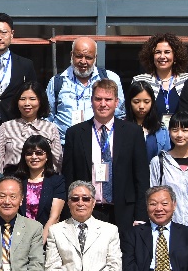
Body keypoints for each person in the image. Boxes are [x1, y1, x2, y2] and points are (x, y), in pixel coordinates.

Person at [61, 79, 149, 232]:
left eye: (108, 99)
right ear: (91, 101)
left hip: (124, 212)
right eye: (98, 99)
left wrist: (141, 215)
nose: (103, 104)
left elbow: (141, 177)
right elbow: (68, 177)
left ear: (116, 102)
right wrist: (69, 214)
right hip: (87, 211)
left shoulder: (133, 132)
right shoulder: (75, 133)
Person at [148, 112, 188, 241]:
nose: (179, 135)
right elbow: (152, 199)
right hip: (166, 236)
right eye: (175, 130)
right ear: (169, 131)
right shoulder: (159, 162)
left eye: (185, 130)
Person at [47, 36, 124, 140]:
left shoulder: (110, 78)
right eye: (79, 56)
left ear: (95, 57)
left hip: (100, 143)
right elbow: (48, 117)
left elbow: (120, 114)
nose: (83, 61)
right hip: (65, 144)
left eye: (88, 57)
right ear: (71, 55)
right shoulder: (57, 82)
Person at [0, 80, 63, 172]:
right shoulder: (6, 127)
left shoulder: (50, 128)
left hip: (42, 177)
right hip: (13, 177)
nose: (27, 103)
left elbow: (57, 162)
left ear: (40, 101)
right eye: (22, 99)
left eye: (32, 99)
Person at [131, 32, 188, 128]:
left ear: (175, 56)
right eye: (158, 52)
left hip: (180, 135)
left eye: (167, 52)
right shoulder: (140, 80)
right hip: (150, 134)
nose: (162, 56)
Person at [10, 134, 67, 235]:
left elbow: (54, 217)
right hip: (17, 236)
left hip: (46, 237)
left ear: (47, 156)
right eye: (29, 153)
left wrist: (40, 241)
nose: (34, 157)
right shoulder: (15, 180)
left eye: (39, 153)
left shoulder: (57, 181)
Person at [127, 80, 170, 160]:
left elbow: (166, 158)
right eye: (136, 102)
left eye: (146, 102)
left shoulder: (161, 130)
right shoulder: (120, 127)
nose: (141, 106)